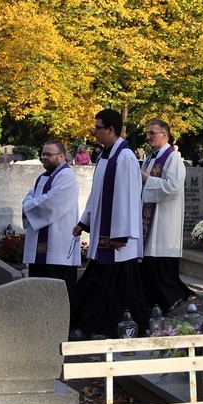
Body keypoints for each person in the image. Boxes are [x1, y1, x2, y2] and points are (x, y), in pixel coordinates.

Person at [70, 109, 149, 340]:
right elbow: (97, 194)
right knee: (111, 284)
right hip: (106, 238)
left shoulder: (124, 157)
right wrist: (84, 222)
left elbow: (128, 197)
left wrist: (121, 235)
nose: (94, 132)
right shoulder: (105, 156)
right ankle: (123, 324)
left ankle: (91, 325)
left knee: (110, 284)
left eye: (98, 128)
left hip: (116, 240)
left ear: (111, 129)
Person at [139, 120, 193, 313]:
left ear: (165, 135)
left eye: (152, 133)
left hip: (164, 222)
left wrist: (148, 179)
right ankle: (154, 305)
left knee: (161, 267)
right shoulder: (150, 159)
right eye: (148, 133)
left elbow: (173, 188)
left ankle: (175, 297)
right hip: (149, 220)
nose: (149, 136)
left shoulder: (173, 159)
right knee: (150, 267)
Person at [22, 141, 80, 301]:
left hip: (57, 247)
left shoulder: (66, 176)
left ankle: (62, 325)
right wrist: (30, 204)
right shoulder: (43, 177)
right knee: (39, 294)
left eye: (49, 154)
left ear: (61, 156)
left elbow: (49, 204)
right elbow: (31, 197)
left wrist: (28, 205)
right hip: (40, 248)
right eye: (43, 154)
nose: (44, 157)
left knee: (58, 296)